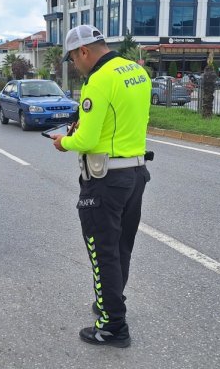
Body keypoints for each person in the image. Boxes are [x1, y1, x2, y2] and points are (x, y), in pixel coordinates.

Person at [50, 24, 152, 348]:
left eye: (73, 59)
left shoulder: (98, 80)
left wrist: (63, 141)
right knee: (121, 246)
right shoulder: (137, 72)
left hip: (105, 180)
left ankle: (112, 327)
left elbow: (88, 139)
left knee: (101, 251)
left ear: (83, 51)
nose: (75, 66)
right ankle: (112, 302)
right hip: (135, 174)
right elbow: (119, 121)